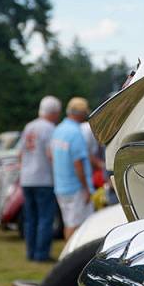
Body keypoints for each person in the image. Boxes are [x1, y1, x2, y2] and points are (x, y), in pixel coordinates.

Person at [19, 95, 61, 262]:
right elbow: (51, 155)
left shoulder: (29, 126)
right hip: (43, 178)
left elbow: (20, 154)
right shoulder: (49, 128)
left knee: (30, 218)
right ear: (53, 112)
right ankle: (41, 254)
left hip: (27, 178)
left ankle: (30, 252)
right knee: (45, 218)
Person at [51, 97, 93, 241]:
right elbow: (78, 164)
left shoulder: (58, 130)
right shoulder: (76, 133)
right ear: (80, 113)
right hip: (76, 188)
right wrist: (87, 188)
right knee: (76, 226)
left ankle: (70, 258)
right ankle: (71, 259)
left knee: (69, 223)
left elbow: (50, 155)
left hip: (61, 186)